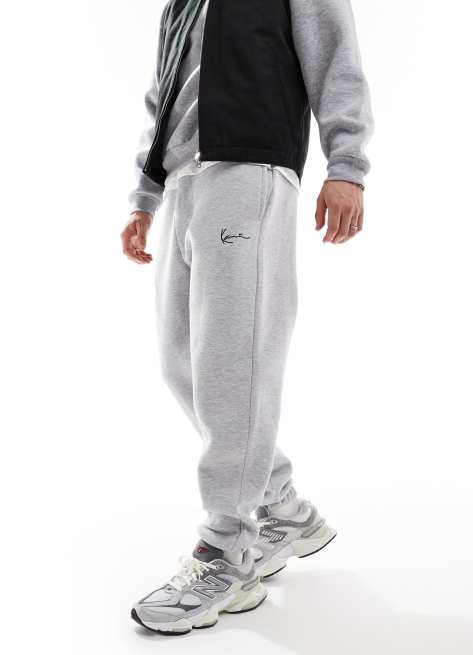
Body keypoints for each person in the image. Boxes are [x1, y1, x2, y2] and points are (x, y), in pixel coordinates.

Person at [122, 0, 373, 636]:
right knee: (181, 364)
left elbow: (336, 62)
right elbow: (164, 94)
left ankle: (226, 550)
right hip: (185, 182)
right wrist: (145, 196)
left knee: (232, 366)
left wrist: (346, 167)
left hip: (248, 171)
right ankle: (281, 507)